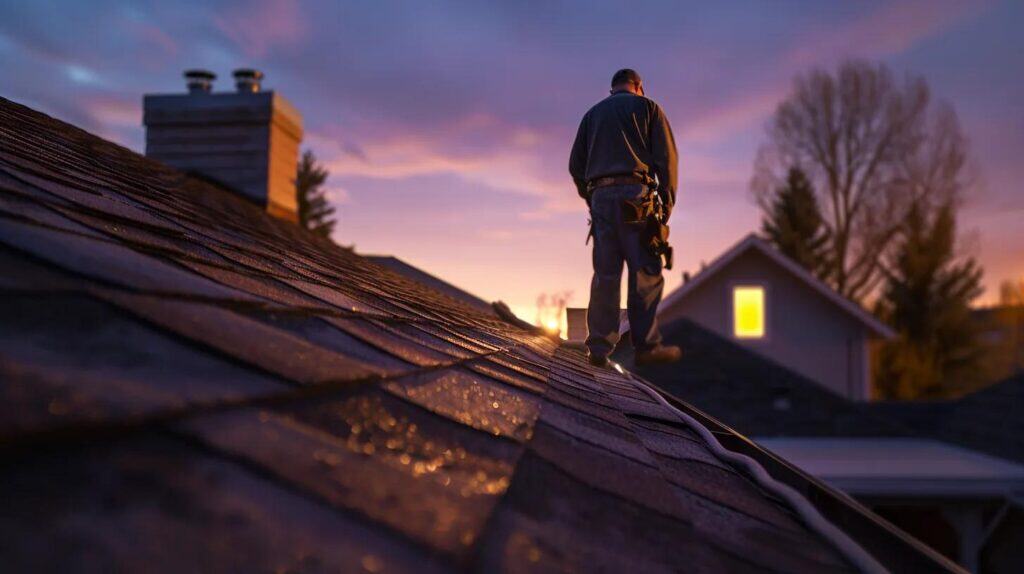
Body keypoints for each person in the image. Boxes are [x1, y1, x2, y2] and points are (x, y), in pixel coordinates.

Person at [569, 69, 683, 367]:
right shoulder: (649, 108)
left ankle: (598, 349)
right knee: (645, 271)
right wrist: (666, 207)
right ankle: (646, 346)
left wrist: (592, 198)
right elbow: (667, 161)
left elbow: (575, 166)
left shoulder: (591, 116)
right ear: (639, 87)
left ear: (612, 90)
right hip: (637, 198)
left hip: (602, 198)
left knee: (606, 275)